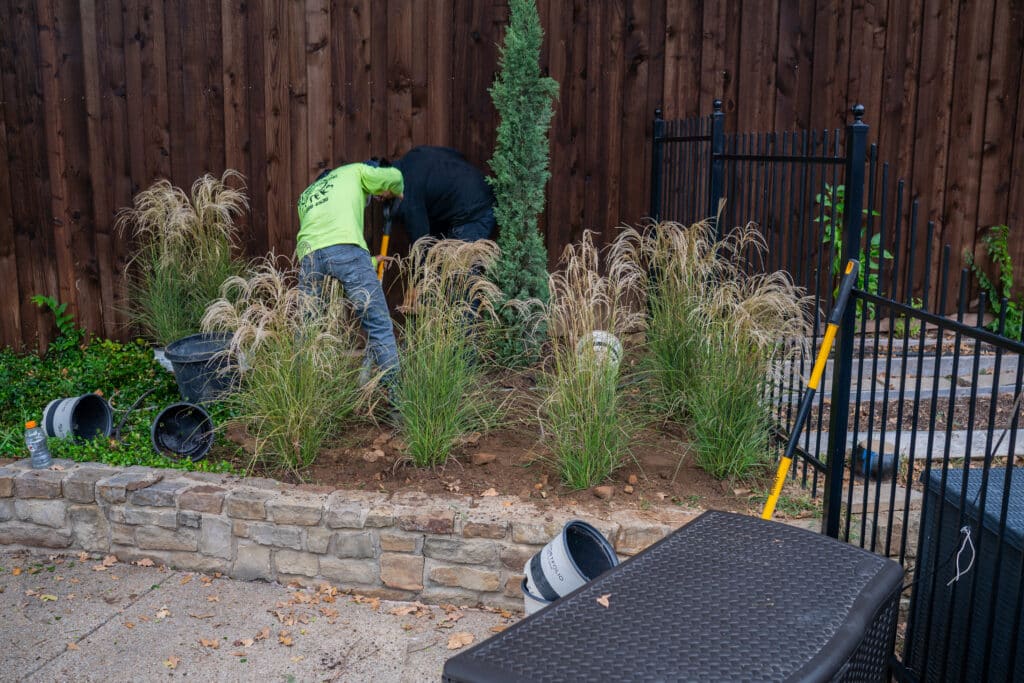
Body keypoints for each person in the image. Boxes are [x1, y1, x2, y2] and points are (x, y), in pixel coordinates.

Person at [295, 162, 404, 388]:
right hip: (348, 251)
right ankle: (397, 399)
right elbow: (394, 175)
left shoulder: (305, 195)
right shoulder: (354, 170)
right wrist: (396, 190)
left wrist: (371, 261)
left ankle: (301, 394)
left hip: (309, 259)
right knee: (379, 325)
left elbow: (326, 250)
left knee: (307, 331)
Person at [390, 146, 495, 244]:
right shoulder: (413, 156)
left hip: (473, 214)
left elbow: (421, 241)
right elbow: (456, 155)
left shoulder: (409, 193)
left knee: (460, 258)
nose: (380, 198)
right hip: (478, 188)